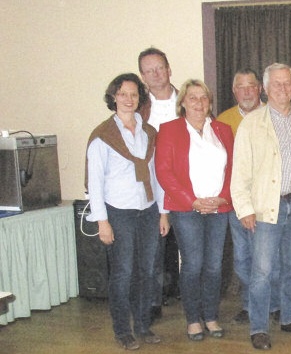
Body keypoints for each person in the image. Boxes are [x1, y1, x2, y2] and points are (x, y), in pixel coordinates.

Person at [231, 63, 291, 351]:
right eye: (277, 84)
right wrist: (244, 209)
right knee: (262, 271)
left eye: (287, 83)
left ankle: (290, 317)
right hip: (266, 207)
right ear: (265, 89)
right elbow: (239, 171)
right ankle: (258, 327)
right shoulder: (252, 123)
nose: (283, 89)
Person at [85, 73, 169, 350]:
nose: (128, 99)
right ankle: (123, 331)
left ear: (140, 99)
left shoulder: (149, 133)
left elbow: (157, 176)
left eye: (133, 94)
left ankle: (143, 325)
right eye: (122, 93)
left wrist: (163, 212)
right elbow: (95, 183)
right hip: (118, 212)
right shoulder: (102, 136)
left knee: (147, 272)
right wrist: (102, 222)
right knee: (122, 273)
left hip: (147, 210)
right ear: (113, 97)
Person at [155, 79, 234, 341]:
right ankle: (192, 319)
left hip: (219, 209)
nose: (199, 103)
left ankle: (210, 316)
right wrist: (192, 200)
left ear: (210, 102)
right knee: (193, 264)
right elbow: (164, 172)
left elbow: (233, 168)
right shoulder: (168, 130)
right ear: (183, 103)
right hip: (186, 209)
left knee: (213, 266)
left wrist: (223, 197)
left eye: (203, 98)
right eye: (192, 98)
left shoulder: (223, 130)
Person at [215, 68, 272, 325]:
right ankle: (250, 305)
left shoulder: (273, 115)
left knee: (270, 259)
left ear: (260, 88)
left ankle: (273, 305)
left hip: (268, 202)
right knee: (243, 258)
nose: (247, 91)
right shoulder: (222, 121)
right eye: (241, 87)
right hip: (236, 203)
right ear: (233, 91)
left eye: (252, 86)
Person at [138, 47, 180, 322]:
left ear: (169, 69)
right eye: (149, 70)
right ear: (143, 76)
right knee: (153, 250)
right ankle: (153, 301)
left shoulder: (188, 101)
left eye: (160, 67)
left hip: (188, 188)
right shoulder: (139, 108)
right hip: (153, 190)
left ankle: (191, 297)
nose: (156, 74)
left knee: (191, 250)